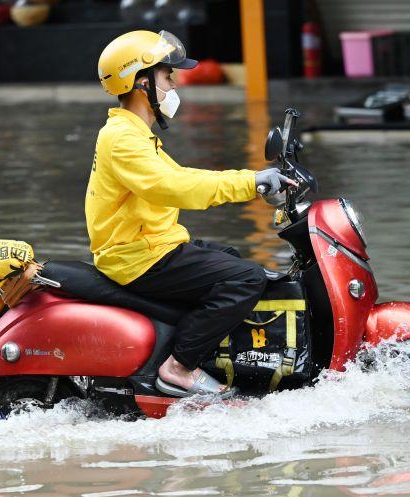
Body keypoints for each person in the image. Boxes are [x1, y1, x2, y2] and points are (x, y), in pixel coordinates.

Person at [86, 30, 293, 397]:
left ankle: (212, 355)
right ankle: (178, 368)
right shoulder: (122, 139)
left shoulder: (134, 134)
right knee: (244, 279)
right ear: (142, 81)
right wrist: (250, 184)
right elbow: (174, 187)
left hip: (151, 245)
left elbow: (180, 177)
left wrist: (252, 181)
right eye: (168, 76)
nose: (174, 83)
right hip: (139, 256)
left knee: (229, 257)